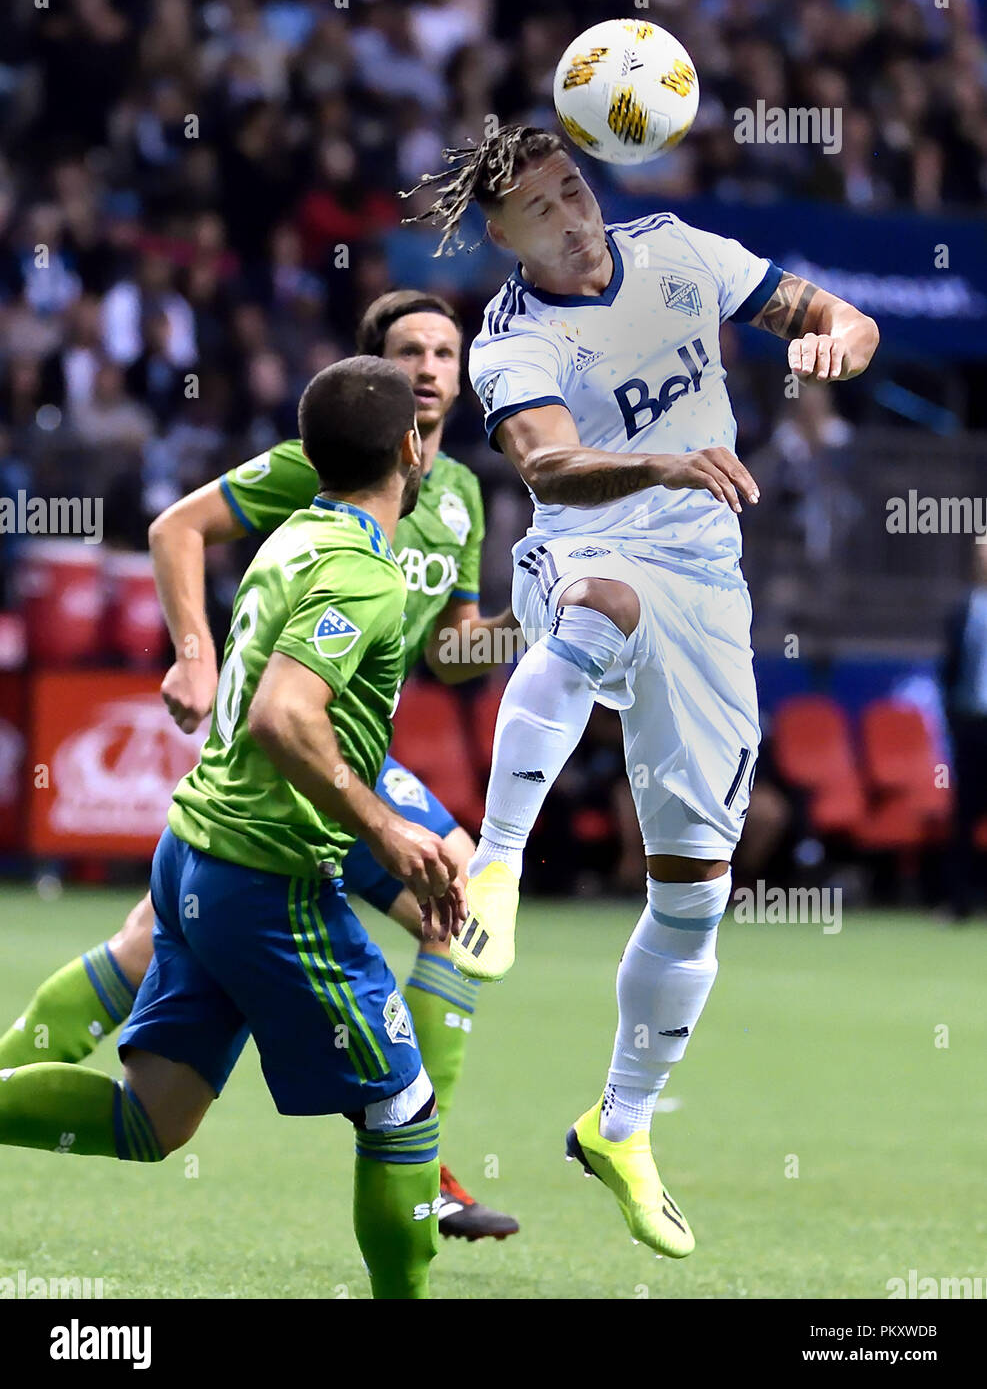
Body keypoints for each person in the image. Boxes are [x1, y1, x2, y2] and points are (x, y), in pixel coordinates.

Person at [404, 125, 880, 1257]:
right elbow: (549, 467)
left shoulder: (677, 250)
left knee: (697, 889)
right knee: (599, 601)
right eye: (541, 206)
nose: (572, 213)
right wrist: (668, 460)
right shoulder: (510, 339)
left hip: (711, 586)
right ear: (502, 236)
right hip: (588, 544)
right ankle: (500, 863)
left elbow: (827, 312)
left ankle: (618, 1126)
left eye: (574, 186)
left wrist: (837, 343)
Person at [0, 291, 520, 1241]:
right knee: (150, 946)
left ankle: (424, 1159)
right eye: (411, 353)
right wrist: (194, 650)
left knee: (458, 912)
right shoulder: (322, 470)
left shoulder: (460, 498)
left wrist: (539, 631)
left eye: (448, 352)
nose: (433, 369)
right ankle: (414, 1146)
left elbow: (450, 656)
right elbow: (175, 531)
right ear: (378, 376)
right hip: (286, 770)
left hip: (336, 765)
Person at [941, 538, 987, 919]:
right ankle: (959, 902)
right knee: (965, 814)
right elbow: (948, 671)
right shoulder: (963, 611)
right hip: (971, 725)